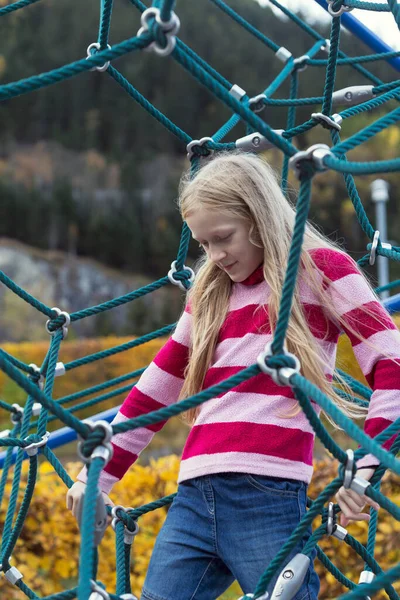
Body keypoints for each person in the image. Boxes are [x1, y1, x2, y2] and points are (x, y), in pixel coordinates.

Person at [67, 152, 399, 600]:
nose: (215, 256)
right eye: (203, 245)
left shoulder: (320, 268)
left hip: (268, 492)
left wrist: (367, 465)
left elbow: (392, 365)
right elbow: (155, 393)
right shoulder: (209, 295)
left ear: (258, 218)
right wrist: (97, 476)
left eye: (223, 238)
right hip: (193, 494)